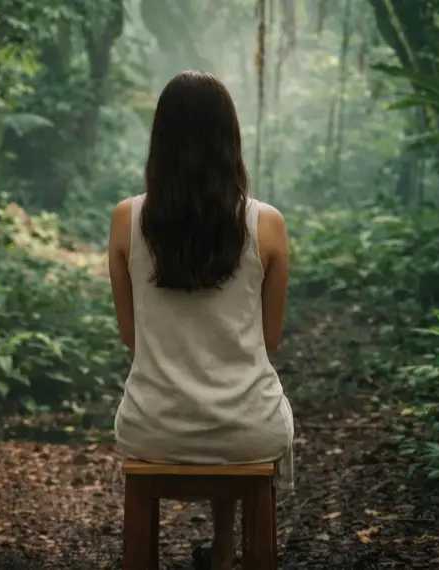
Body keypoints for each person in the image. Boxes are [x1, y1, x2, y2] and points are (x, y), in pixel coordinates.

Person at [108, 69, 294, 570]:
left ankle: (224, 550)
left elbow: (131, 336)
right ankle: (228, 550)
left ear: (160, 142)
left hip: (154, 425)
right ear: (230, 140)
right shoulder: (267, 224)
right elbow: (269, 338)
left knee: (200, 396)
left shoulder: (126, 219)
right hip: (247, 427)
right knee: (233, 400)